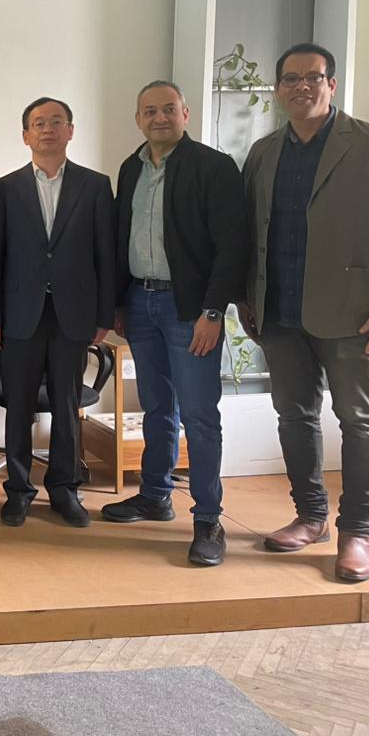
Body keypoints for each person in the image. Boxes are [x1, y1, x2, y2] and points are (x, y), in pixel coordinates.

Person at [238, 43, 369, 583]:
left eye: (312, 77)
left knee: (360, 421)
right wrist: (246, 298)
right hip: (279, 312)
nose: (301, 87)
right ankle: (311, 517)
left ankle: (357, 531)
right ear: (278, 89)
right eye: (290, 79)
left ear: (331, 84)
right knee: (294, 417)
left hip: (356, 315)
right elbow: (250, 232)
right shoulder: (264, 152)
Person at [101, 81, 249, 567]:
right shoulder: (131, 168)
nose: (159, 118)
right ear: (138, 118)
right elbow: (122, 236)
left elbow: (232, 246)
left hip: (190, 310)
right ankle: (154, 495)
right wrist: (119, 302)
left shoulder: (213, 167)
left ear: (186, 113)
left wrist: (213, 311)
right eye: (149, 111)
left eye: (168, 109)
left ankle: (208, 518)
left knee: (200, 415)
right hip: (139, 302)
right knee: (157, 406)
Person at [0, 97, 114, 528]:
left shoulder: (95, 186)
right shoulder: (5, 189)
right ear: (26, 136)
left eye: (56, 122)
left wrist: (104, 316)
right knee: (19, 407)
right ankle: (19, 491)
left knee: (66, 404)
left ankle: (64, 489)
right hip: (20, 313)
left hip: (73, 315)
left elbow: (105, 255)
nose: (47, 129)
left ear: (70, 131)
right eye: (38, 123)